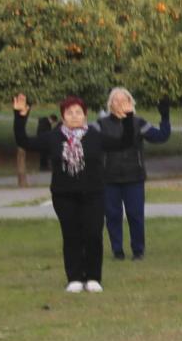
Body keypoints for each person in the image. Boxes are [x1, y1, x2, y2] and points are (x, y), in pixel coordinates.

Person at [11, 93, 128, 292]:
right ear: (63, 116)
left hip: (93, 194)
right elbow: (24, 141)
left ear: (85, 115)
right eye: (69, 112)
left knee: (93, 234)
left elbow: (124, 142)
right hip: (64, 194)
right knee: (71, 235)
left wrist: (128, 118)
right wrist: (20, 116)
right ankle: (74, 277)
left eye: (78, 112)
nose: (74, 116)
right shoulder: (54, 137)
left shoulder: (94, 136)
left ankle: (93, 277)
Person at [97, 88, 170, 261]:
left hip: (134, 177)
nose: (121, 103)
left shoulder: (138, 123)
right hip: (109, 178)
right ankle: (117, 251)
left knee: (135, 215)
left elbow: (161, 136)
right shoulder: (101, 124)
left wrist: (165, 116)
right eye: (116, 100)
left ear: (131, 103)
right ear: (110, 104)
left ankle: (138, 251)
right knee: (112, 216)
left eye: (125, 100)